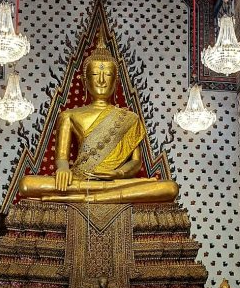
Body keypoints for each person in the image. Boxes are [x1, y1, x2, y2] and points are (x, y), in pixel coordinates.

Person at [19, 27, 178, 204]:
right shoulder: (69, 115)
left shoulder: (130, 118)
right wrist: (63, 169)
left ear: (115, 81)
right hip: (79, 181)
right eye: (95, 74)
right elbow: (61, 157)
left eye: (108, 75)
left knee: (170, 187)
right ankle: (98, 196)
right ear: (84, 80)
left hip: (116, 182)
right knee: (27, 184)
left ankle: (92, 198)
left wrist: (118, 173)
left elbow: (136, 162)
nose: (101, 80)